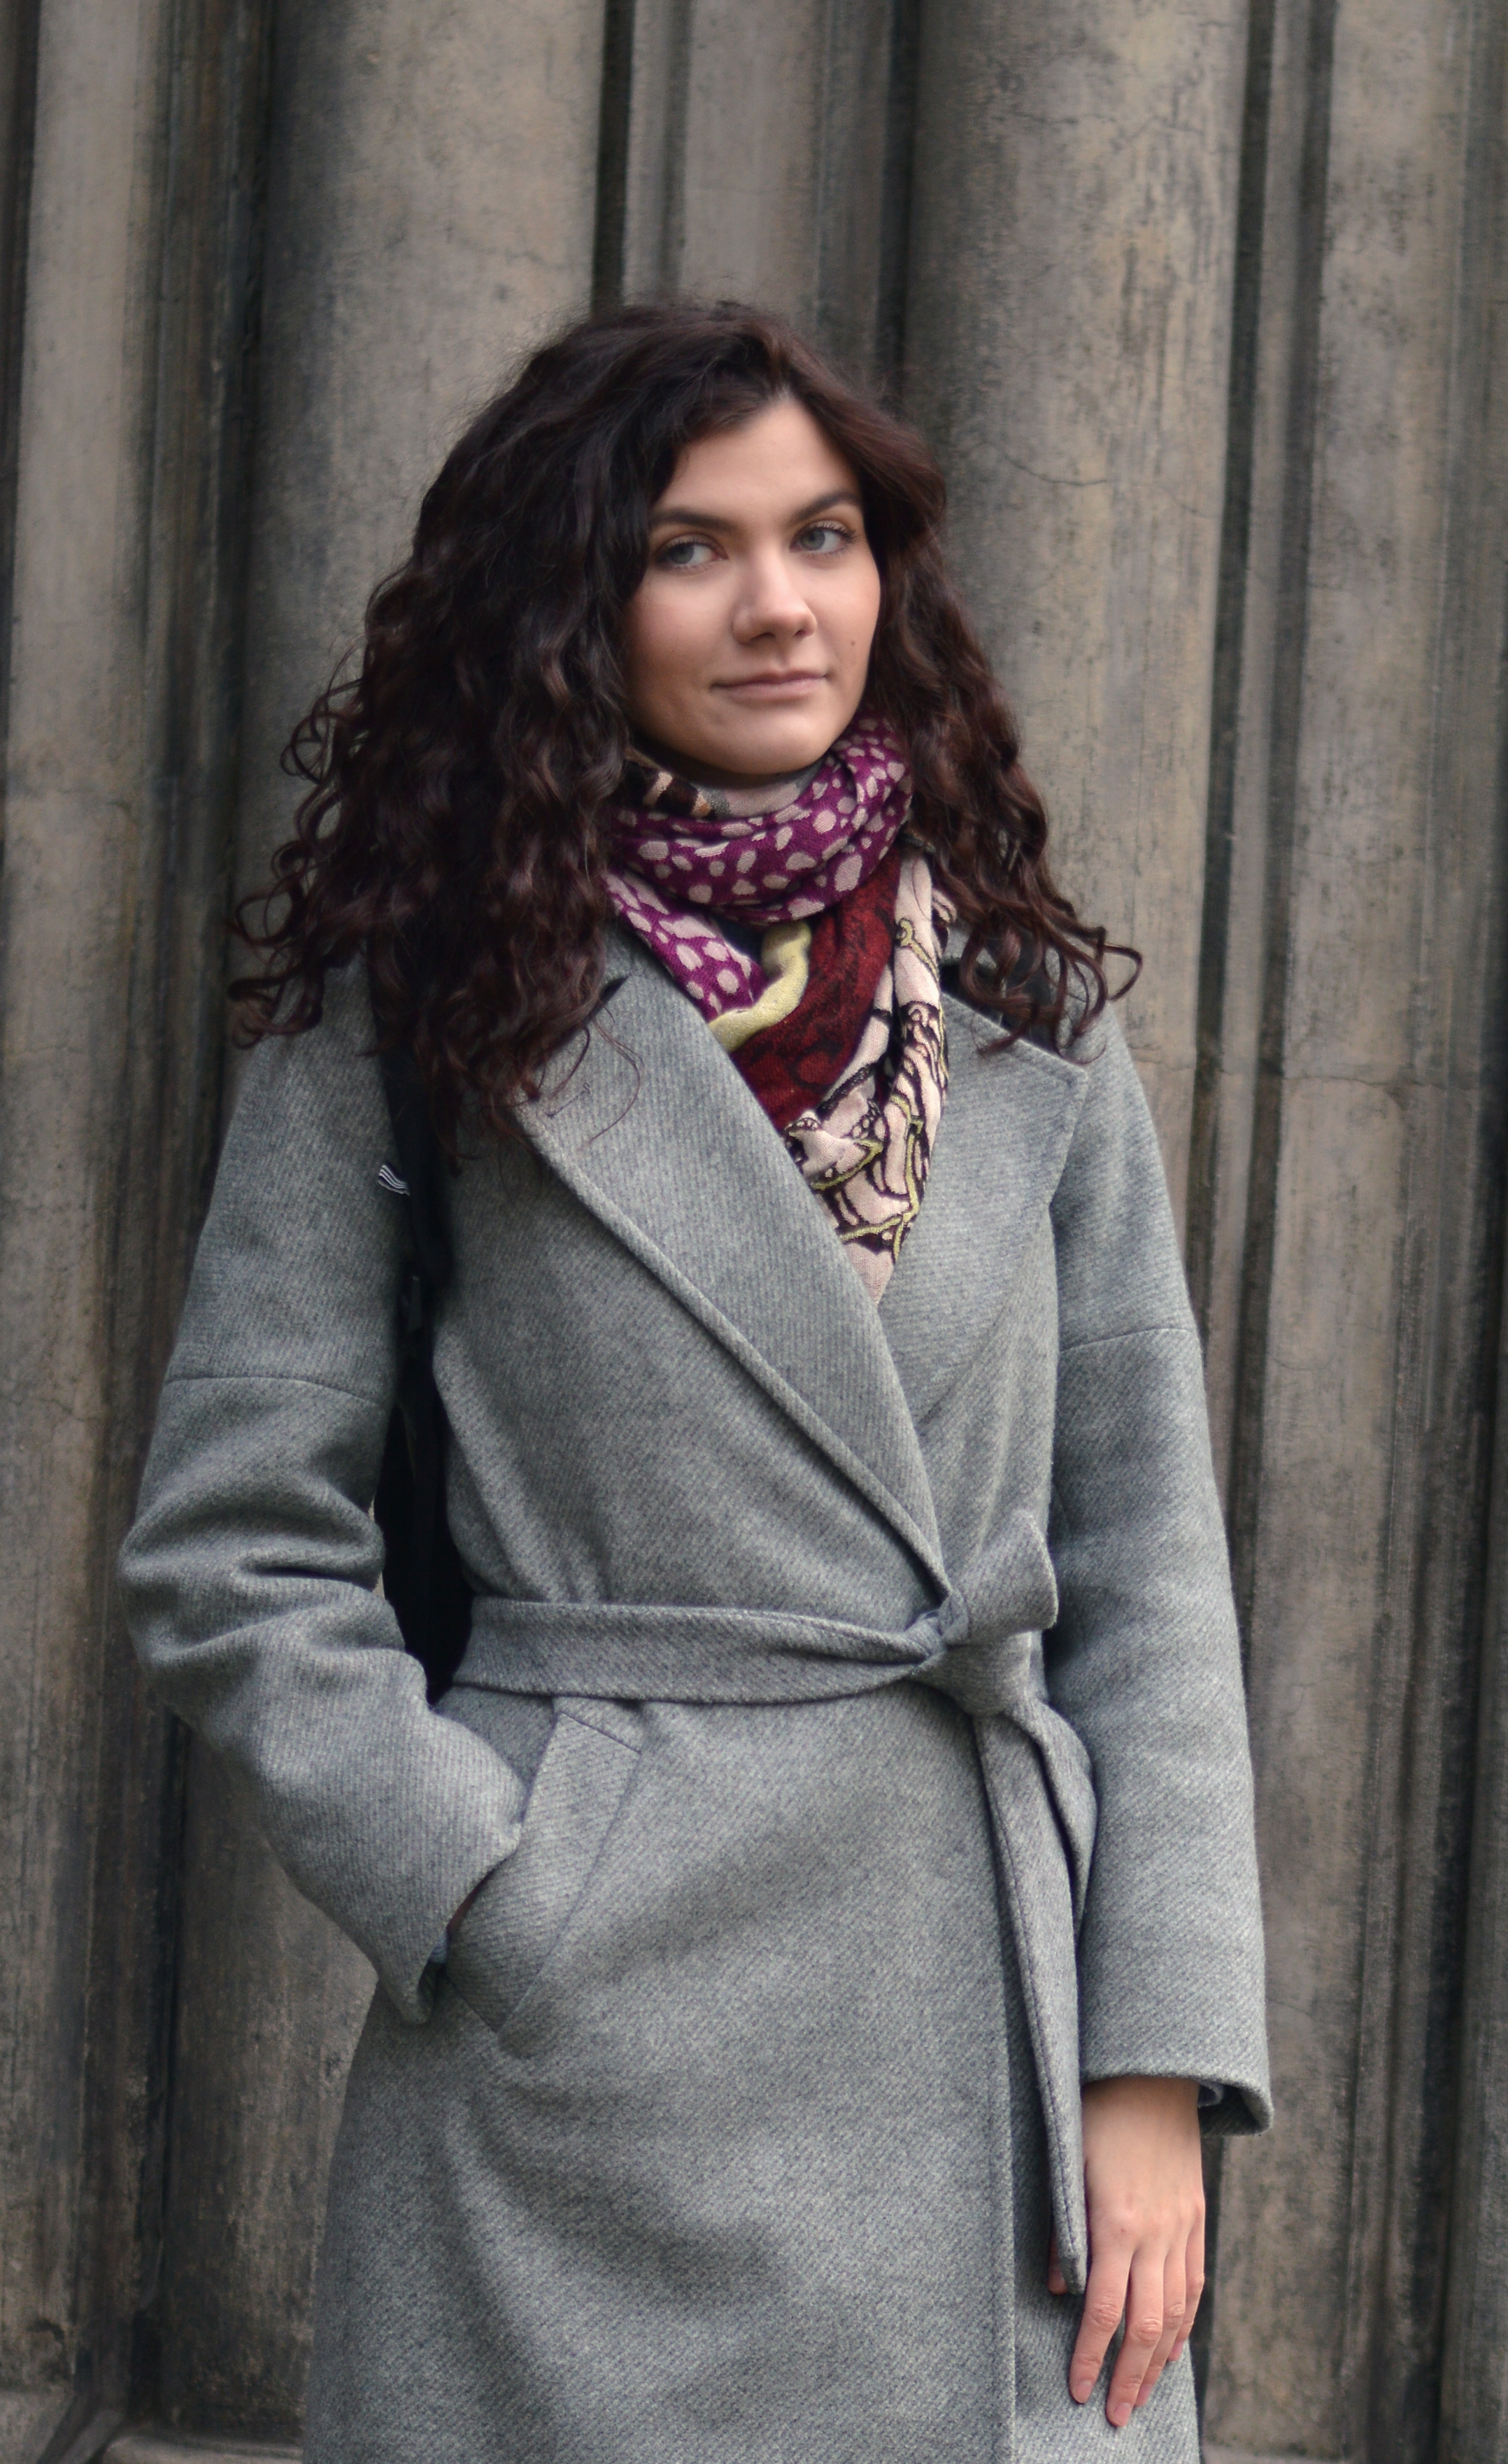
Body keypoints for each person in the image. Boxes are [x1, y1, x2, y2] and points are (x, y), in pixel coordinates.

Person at [119, 300, 1269, 2463]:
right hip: (577, 2066)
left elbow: (1146, 1561)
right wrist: (488, 1879)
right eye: (690, 548)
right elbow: (230, 1541)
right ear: (575, 600)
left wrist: (1152, 2061)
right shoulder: (428, 996)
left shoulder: (1021, 998)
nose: (777, 603)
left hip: (981, 2045)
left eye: (822, 535)